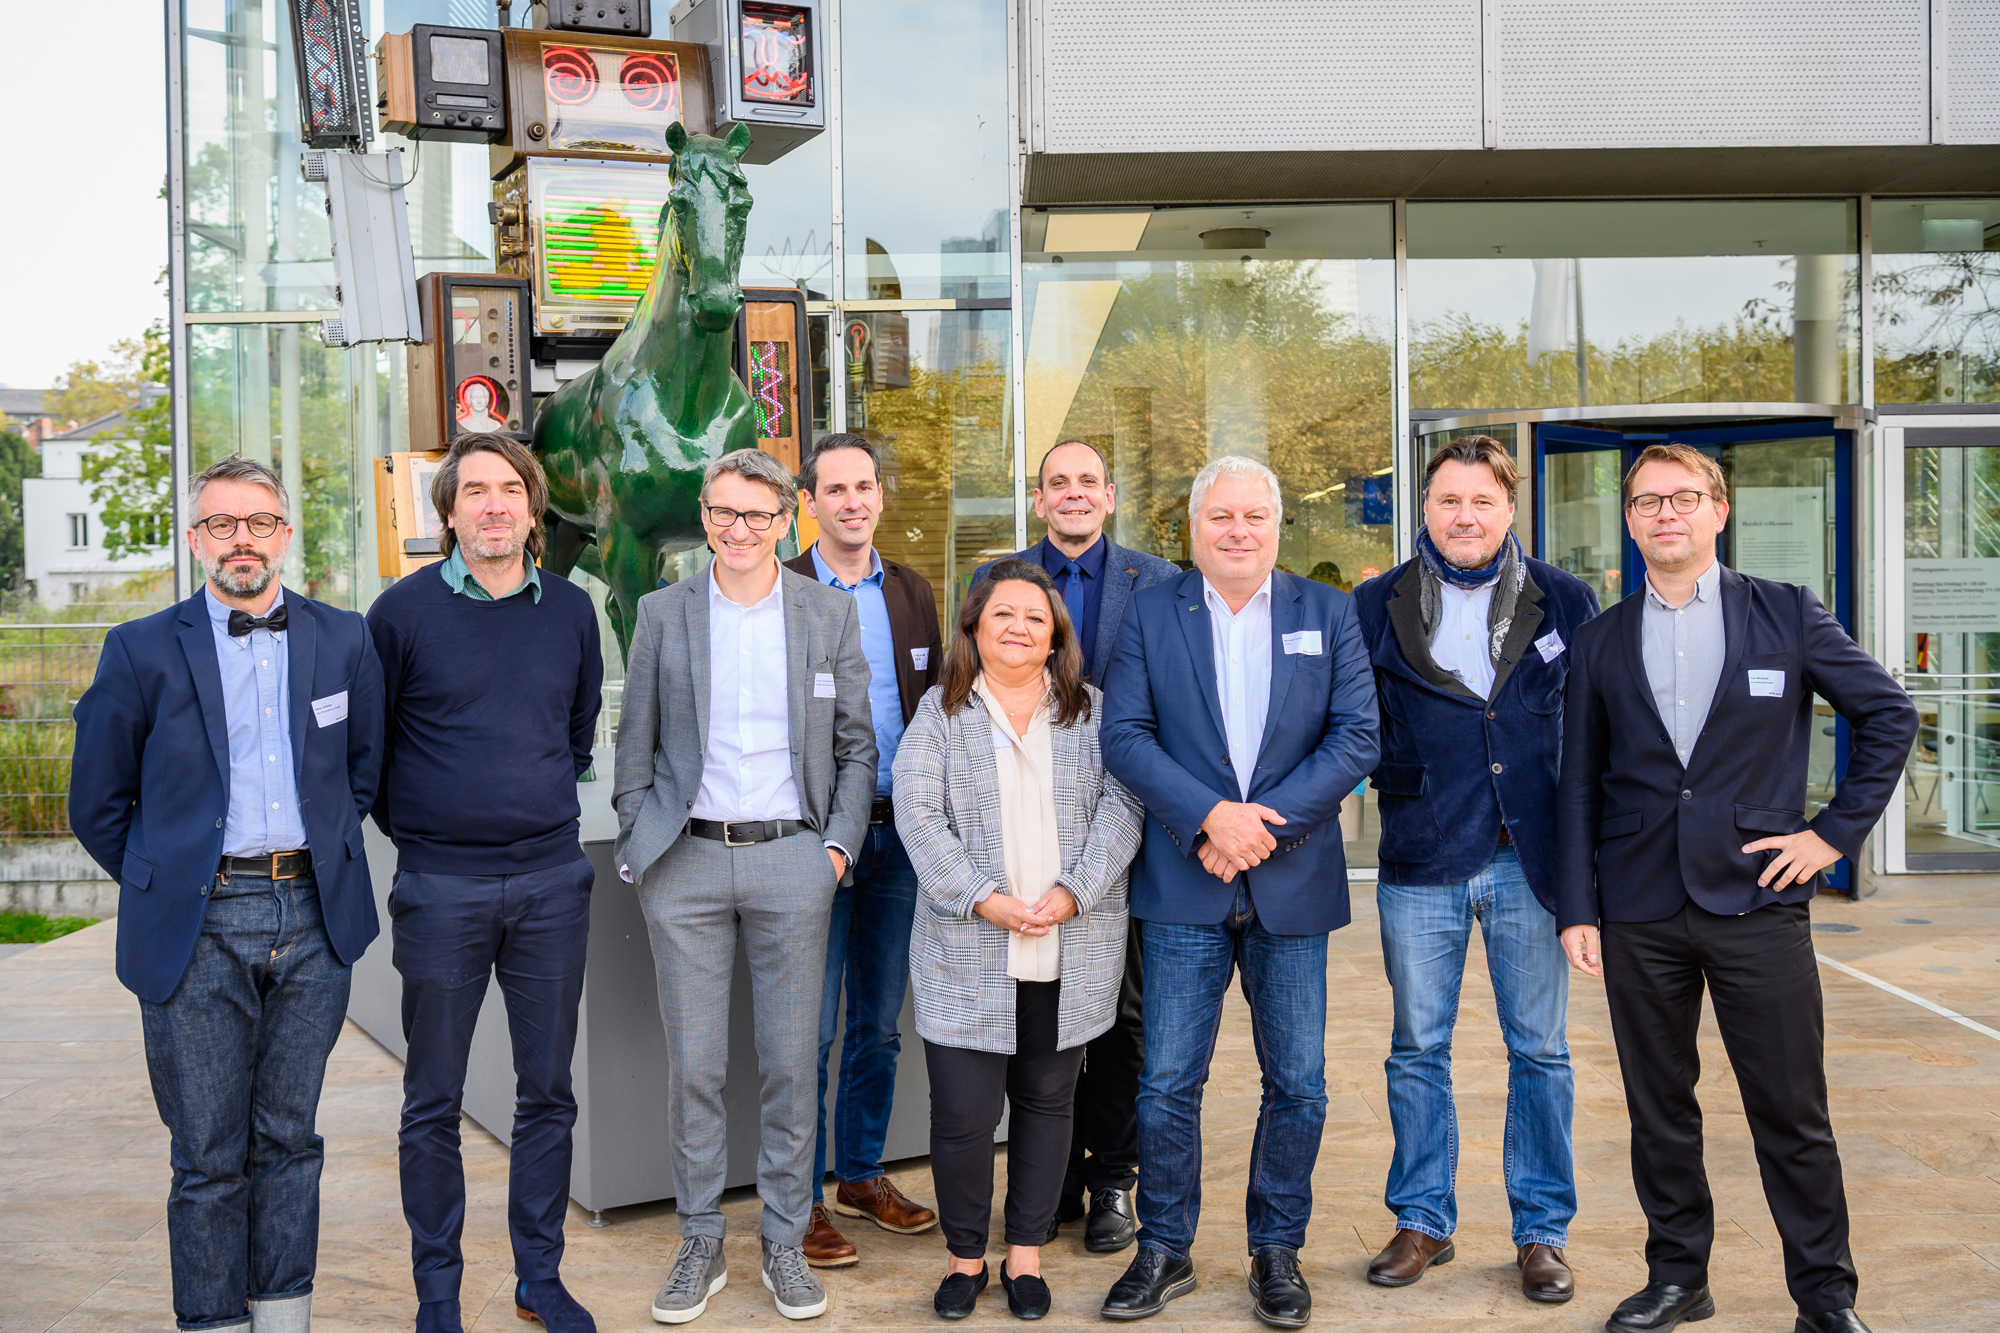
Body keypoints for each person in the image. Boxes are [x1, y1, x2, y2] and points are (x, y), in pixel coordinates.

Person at [1555, 444, 1916, 1333]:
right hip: (1639, 905)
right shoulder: (1602, 638)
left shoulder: (1786, 613)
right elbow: (1579, 783)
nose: (1665, 514)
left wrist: (1831, 835)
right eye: (1647, 501)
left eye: (1683, 497)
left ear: (1719, 510)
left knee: (1791, 1111)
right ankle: (1679, 1277)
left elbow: (1888, 714)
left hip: (1758, 899)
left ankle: (1824, 1297)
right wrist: (1577, 906)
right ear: (1630, 519)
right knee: (1659, 1110)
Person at [69, 455, 385, 1333]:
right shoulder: (139, 649)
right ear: (194, 537)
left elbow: (361, 775)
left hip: (312, 917)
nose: (241, 538)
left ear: (286, 533)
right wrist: (167, 881)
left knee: (290, 1139)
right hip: (197, 923)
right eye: (221, 523)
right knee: (208, 1153)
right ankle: (212, 1322)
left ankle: (284, 1319)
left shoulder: (345, 638)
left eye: (258, 521)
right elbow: (96, 802)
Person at [1098, 456, 1380, 1328]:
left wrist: (1262, 827)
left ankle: (1277, 1250)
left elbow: (1356, 735)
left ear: (1277, 523)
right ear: (1193, 527)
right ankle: (1163, 1247)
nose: (1238, 530)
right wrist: (1210, 818)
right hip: (1185, 881)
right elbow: (1125, 735)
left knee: (1298, 1082)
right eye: (1221, 516)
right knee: (1166, 1082)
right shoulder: (1152, 611)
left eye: (1255, 515)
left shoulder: (1327, 611)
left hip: (1290, 881)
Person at [614, 448, 876, 1324]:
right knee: (695, 1067)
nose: (738, 529)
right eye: (723, 512)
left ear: (785, 519)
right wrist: (641, 843)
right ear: (704, 515)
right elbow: (635, 742)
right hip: (685, 861)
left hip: (792, 860)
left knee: (790, 1066)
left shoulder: (827, 612)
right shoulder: (663, 611)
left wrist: (834, 851)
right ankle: (700, 1239)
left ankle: (784, 1240)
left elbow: (856, 746)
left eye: (757, 515)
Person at [365, 434, 604, 1333]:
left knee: (547, 1091)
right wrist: (435, 836)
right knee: (432, 1099)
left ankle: (539, 1277)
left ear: (534, 508)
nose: (495, 505)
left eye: (511, 489)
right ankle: (439, 1296)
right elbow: (372, 757)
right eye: (475, 491)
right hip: (441, 888)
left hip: (551, 882)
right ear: (449, 510)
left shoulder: (571, 611)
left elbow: (575, 734)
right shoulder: (399, 614)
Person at [1352, 435, 1599, 1303]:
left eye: (1482, 501)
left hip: (1531, 859)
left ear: (1509, 508)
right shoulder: (1374, 602)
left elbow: (1592, 730)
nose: (1465, 516)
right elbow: (1355, 721)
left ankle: (1542, 1231)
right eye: (1449, 500)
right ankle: (1422, 1218)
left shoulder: (1565, 598)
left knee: (1540, 1051)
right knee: (1418, 1048)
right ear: (1425, 508)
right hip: (1422, 853)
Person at [894, 558, 1146, 1321]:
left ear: (1056, 636)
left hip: (1068, 944)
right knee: (963, 1116)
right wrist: (984, 897)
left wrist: (1074, 891)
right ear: (974, 626)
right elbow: (916, 811)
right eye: (1003, 613)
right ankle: (966, 1257)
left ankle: (1026, 1254)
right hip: (969, 947)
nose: (1019, 627)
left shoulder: (1090, 710)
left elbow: (1123, 804)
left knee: (1047, 1103)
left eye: (1036, 617)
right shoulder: (942, 709)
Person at [971, 438, 1179, 1251]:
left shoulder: (1158, 582)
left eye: (1088, 481)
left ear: (1110, 495)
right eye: (1058, 482)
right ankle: (1049, 1175)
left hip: (1126, 826)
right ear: (1038, 499)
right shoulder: (997, 581)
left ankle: (1114, 1178)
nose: (1074, 493)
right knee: (1037, 1014)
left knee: (1121, 1016)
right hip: (1021, 832)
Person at [782, 434, 943, 1266]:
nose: (852, 501)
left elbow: (936, 708)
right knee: (807, 1030)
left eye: (864, 486)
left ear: (881, 495)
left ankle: (861, 1175)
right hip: (814, 840)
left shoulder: (911, 591)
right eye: (835, 489)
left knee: (878, 1023)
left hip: (899, 836)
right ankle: (800, 1199)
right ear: (809, 502)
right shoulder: (781, 588)